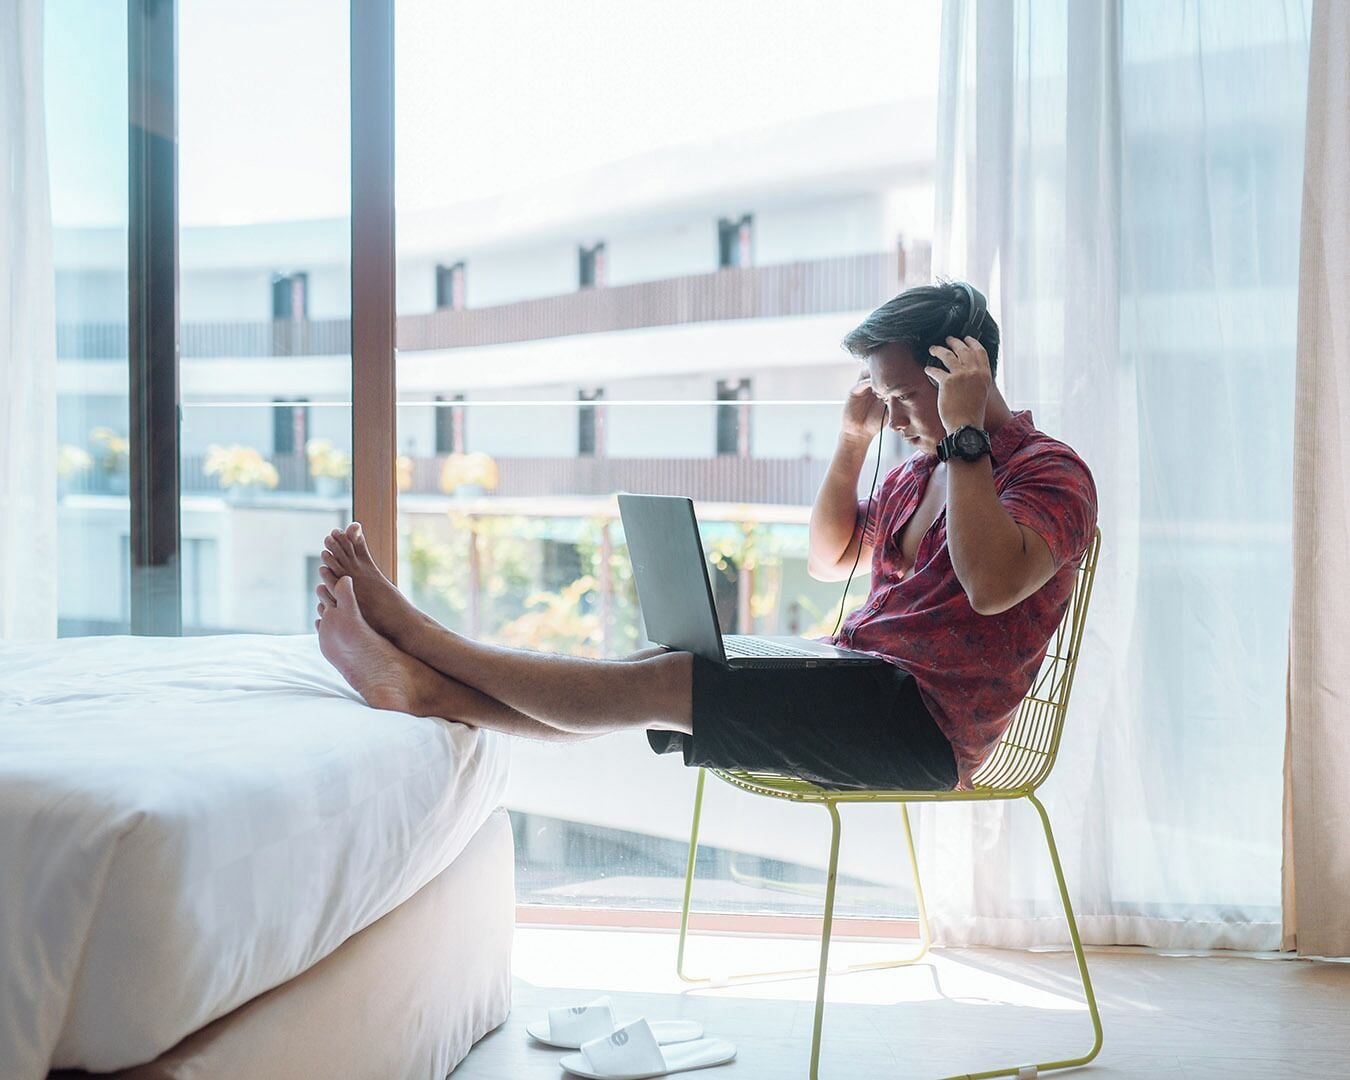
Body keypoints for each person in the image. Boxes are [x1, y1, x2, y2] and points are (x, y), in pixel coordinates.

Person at [314, 281, 1095, 792]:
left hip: (921, 728)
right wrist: (853, 443)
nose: (892, 418)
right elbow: (830, 558)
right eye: (882, 399)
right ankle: (421, 689)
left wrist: (964, 434)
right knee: (653, 669)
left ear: (962, 375)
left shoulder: (1048, 473)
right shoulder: (919, 472)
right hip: (857, 678)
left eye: (902, 398)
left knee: (666, 683)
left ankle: (418, 636)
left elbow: (991, 584)